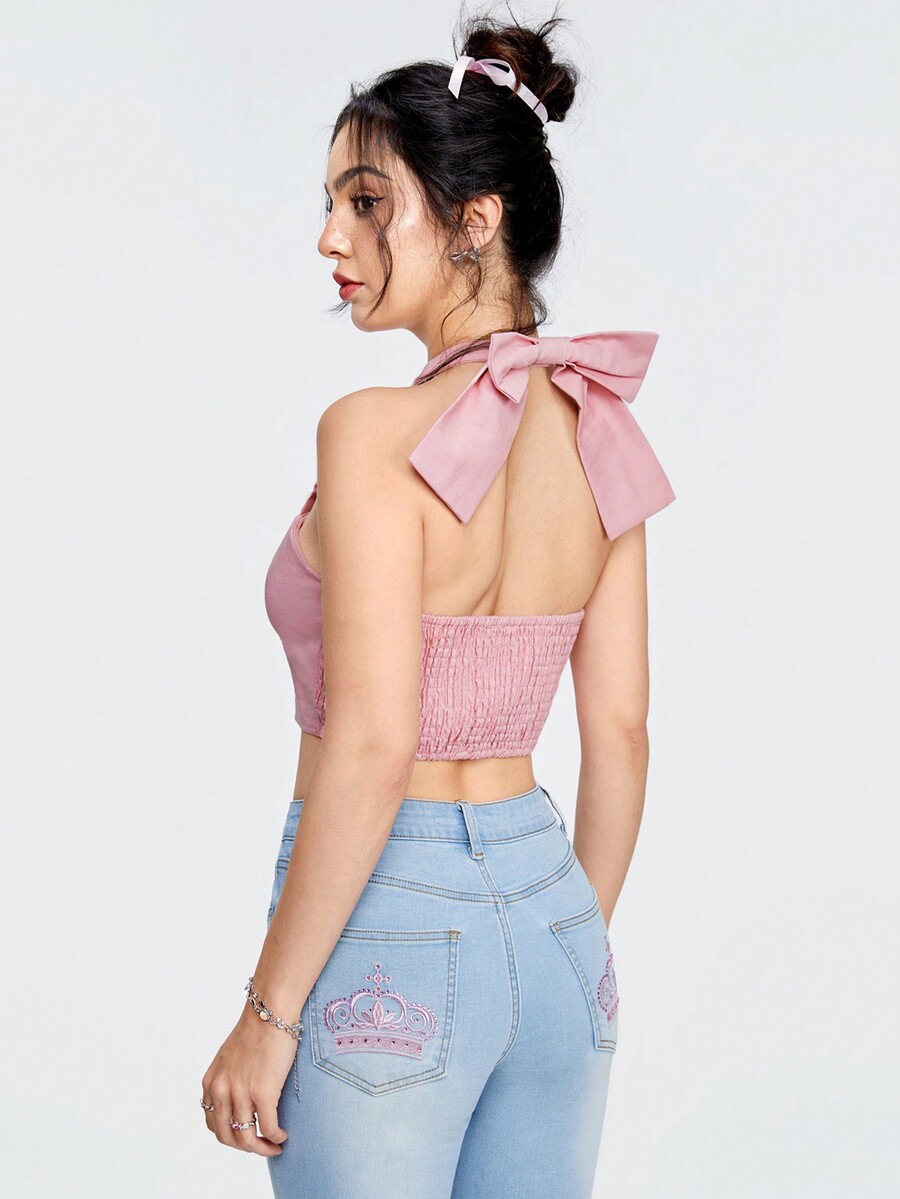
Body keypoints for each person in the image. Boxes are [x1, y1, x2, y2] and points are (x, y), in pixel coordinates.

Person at [201, 12, 675, 1198]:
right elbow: (621, 733)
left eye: (368, 202)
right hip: (559, 923)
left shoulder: (371, 433)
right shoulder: (600, 423)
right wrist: (562, 941)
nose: (331, 235)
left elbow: (375, 739)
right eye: (331, 203)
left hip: (388, 916)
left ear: (477, 218)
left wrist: (268, 1010)